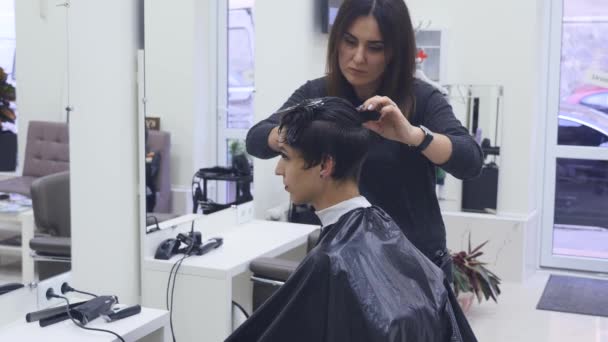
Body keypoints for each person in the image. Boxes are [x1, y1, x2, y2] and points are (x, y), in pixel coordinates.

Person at [246, 0, 483, 279]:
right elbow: (257, 139)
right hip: (344, 260)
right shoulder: (318, 93)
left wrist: (411, 134)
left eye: (375, 47)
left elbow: (470, 160)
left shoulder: (421, 99)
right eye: (350, 41)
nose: (358, 57)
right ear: (337, 40)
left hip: (415, 265)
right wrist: (298, 131)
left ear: (394, 51)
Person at [227, 97, 477, 342]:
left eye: (286, 156)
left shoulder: (329, 262)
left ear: (324, 165)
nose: (278, 169)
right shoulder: (381, 227)